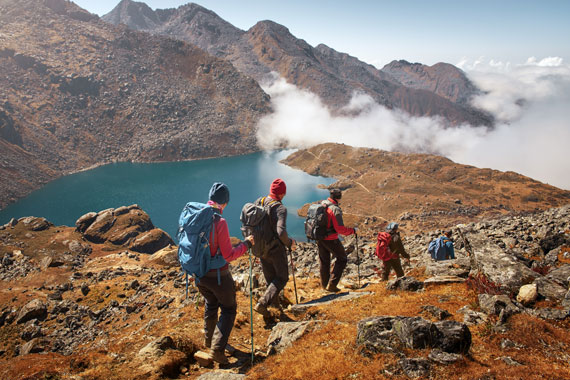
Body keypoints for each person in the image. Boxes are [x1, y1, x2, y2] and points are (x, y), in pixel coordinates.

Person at [197, 182, 254, 364]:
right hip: (217, 276)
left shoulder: (197, 215)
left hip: (199, 275)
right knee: (229, 309)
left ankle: (209, 339)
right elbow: (229, 255)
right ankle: (217, 350)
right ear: (225, 203)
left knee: (211, 303)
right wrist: (246, 244)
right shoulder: (219, 222)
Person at [253, 178, 295, 317]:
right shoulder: (280, 208)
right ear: (282, 193)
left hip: (261, 248)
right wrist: (289, 243)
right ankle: (263, 303)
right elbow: (281, 232)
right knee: (282, 278)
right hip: (275, 250)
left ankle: (275, 309)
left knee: (271, 280)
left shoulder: (259, 201)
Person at [317, 188, 356, 292]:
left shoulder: (324, 203)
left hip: (320, 237)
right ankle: (332, 285)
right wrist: (353, 231)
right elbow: (340, 229)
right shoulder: (335, 209)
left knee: (324, 262)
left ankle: (324, 286)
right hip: (331, 239)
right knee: (342, 258)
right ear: (339, 197)